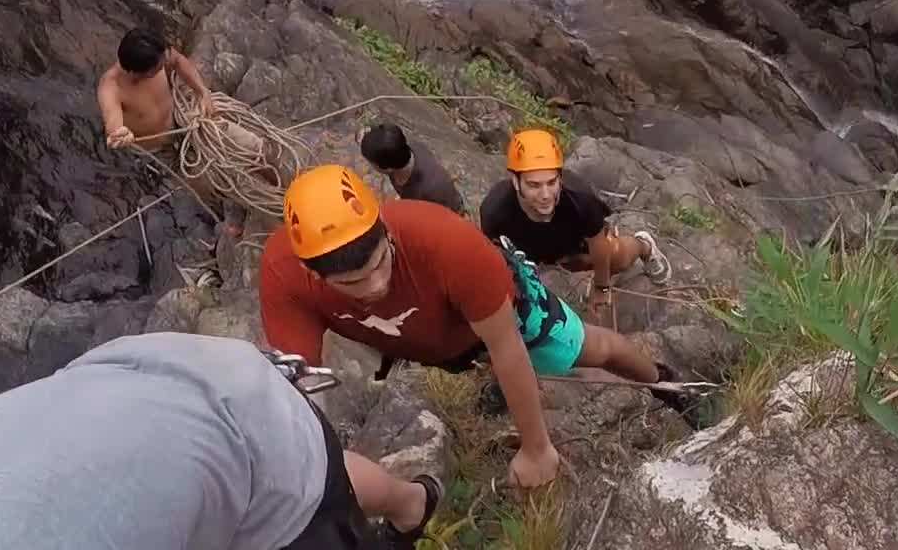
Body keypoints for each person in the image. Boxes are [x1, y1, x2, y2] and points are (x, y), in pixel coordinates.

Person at [259, 165, 692, 491]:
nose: (375, 287)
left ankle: (665, 383)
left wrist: (537, 448)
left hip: (505, 315)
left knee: (595, 350)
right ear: (312, 274)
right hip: (438, 340)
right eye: (352, 283)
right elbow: (299, 394)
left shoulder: (447, 244)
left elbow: (506, 344)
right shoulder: (285, 277)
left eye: (380, 265)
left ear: (386, 232)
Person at [0, 331, 440, 549]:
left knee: (296, 495)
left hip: (238, 433)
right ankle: (411, 501)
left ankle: (414, 505)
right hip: (109, 376)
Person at [479, 130, 669, 324]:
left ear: (560, 177)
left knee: (614, 258)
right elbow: (493, 258)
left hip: (573, 244)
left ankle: (643, 245)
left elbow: (598, 244)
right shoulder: (496, 211)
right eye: (534, 185)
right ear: (515, 181)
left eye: (552, 182)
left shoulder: (580, 199)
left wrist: (601, 287)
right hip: (532, 252)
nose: (545, 195)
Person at [97, 26, 217, 154]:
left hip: (179, 126)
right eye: (159, 67)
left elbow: (177, 60)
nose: (165, 63)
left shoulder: (157, 53)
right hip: (151, 153)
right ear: (139, 73)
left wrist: (202, 92)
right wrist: (121, 135)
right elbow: (113, 128)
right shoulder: (111, 88)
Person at [359, 124, 464, 215]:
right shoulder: (400, 149)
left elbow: (453, 211)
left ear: (387, 168)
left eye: (371, 163)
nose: (370, 165)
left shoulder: (433, 186)